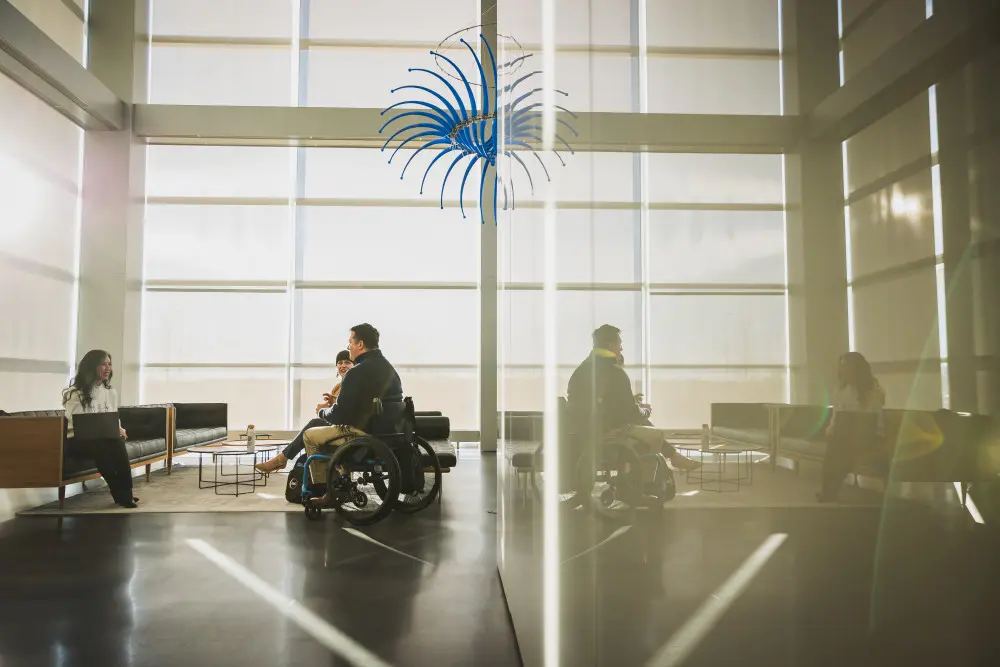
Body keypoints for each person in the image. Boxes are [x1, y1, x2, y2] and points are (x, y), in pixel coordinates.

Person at [567, 324, 700, 473]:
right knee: (652, 432)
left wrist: (632, 402)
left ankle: (673, 456)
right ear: (610, 345)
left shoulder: (582, 370)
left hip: (583, 432)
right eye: (620, 344)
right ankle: (645, 479)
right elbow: (629, 414)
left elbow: (602, 402)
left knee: (641, 422)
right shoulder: (615, 373)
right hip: (605, 434)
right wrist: (645, 410)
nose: (621, 349)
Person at [302, 323, 404, 504]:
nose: (348, 346)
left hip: (365, 435)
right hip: (389, 433)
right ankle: (340, 481)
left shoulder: (356, 372)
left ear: (360, 344)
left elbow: (339, 416)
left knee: (310, 435)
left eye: (350, 342)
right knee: (331, 431)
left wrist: (322, 411)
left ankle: (328, 491)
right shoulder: (389, 368)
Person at [255, 350, 354, 473]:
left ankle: (282, 459)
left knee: (314, 424)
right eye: (340, 363)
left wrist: (327, 408)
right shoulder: (337, 387)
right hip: (337, 423)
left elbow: (346, 410)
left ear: (354, 366)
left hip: (345, 427)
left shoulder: (352, 384)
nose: (343, 365)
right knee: (314, 426)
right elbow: (337, 409)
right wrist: (328, 406)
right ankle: (293, 463)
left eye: (347, 362)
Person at [62, 350, 137, 508]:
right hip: (77, 441)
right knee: (102, 447)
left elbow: (113, 417)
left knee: (117, 443)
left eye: (109, 364)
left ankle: (127, 494)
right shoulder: (75, 393)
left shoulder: (110, 392)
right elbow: (77, 423)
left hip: (101, 438)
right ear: (92, 367)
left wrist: (118, 428)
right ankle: (120, 494)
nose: (108, 368)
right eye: (103, 364)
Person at [817, 351, 886, 502]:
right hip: (844, 435)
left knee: (838, 448)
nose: (842, 371)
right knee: (836, 444)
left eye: (846, 367)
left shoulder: (873, 392)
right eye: (841, 367)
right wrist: (831, 430)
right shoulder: (840, 391)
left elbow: (876, 420)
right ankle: (828, 490)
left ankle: (829, 491)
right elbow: (837, 417)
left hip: (867, 435)